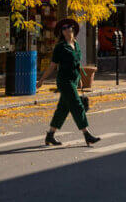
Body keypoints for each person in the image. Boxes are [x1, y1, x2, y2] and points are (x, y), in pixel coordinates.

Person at [37, 18, 101, 147]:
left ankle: (50, 135)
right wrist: (42, 79)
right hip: (64, 81)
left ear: (73, 28)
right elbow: (52, 65)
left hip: (74, 80)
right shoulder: (60, 47)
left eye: (68, 27)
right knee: (77, 105)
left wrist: (81, 81)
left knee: (63, 109)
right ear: (61, 32)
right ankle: (87, 134)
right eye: (63, 29)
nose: (66, 30)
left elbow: (77, 65)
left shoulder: (76, 45)